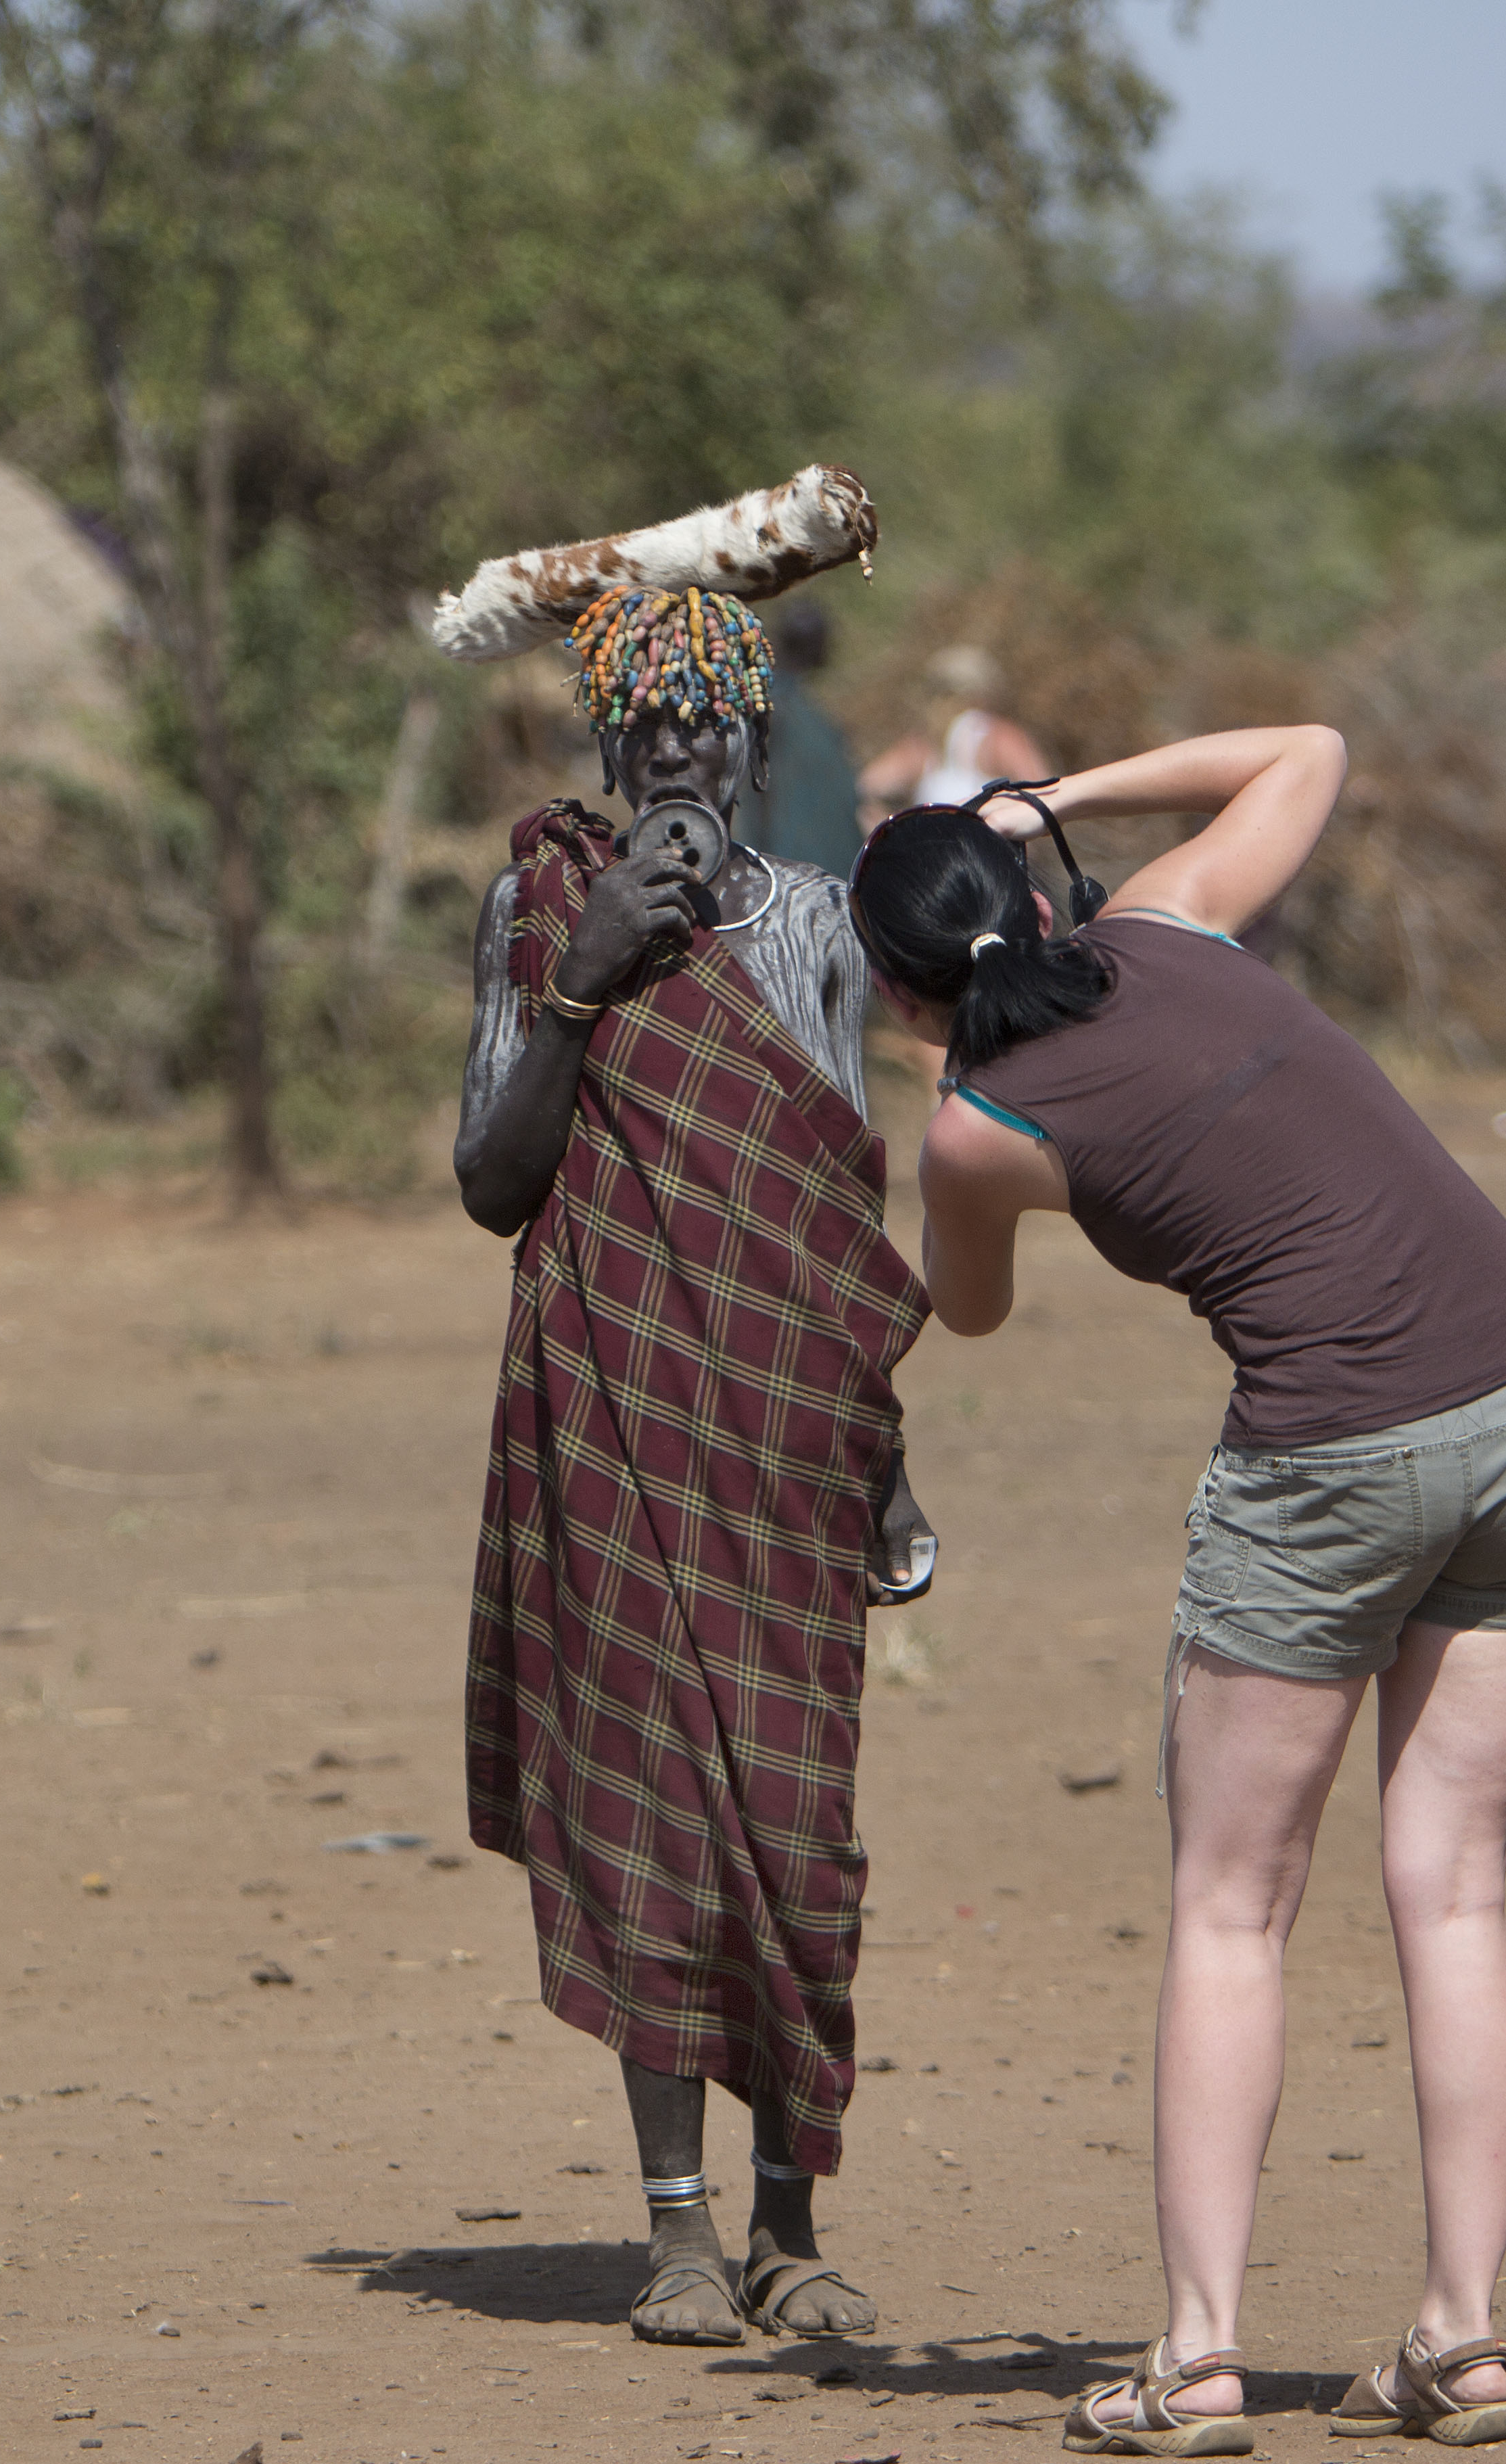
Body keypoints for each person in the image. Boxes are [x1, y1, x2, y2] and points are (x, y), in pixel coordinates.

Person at [855, 727, 1506, 2459]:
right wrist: (1054, 799)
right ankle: (1459, 2342)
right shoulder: (1173, 920)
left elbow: (967, 1313)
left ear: (893, 998)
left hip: (1331, 1447)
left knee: (1228, 1905)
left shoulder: (973, 1125)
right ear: (1032, 890)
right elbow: (1313, 748)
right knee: (1453, 1888)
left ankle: (1191, 2361)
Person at [450, 565, 935, 2351]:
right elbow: (494, 1181)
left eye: (702, 720)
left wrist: (884, 1463)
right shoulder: (535, 906)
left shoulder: (813, 924)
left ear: (746, 734)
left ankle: (790, 2225)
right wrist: (581, 986)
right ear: (607, 738)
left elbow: (840, 1213)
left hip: (790, 1426)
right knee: (649, 1797)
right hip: (616, 1404)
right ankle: (675, 2232)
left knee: (797, 1822)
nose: (673, 749)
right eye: (640, 724)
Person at [855, 643, 1052, 831]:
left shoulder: (923, 746)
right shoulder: (998, 737)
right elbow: (1043, 793)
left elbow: (867, 786)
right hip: (991, 853)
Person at [754, 599, 862, 881]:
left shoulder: (801, 709)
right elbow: (753, 800)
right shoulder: (775, 707)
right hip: (791, 867)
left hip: (822, 866)